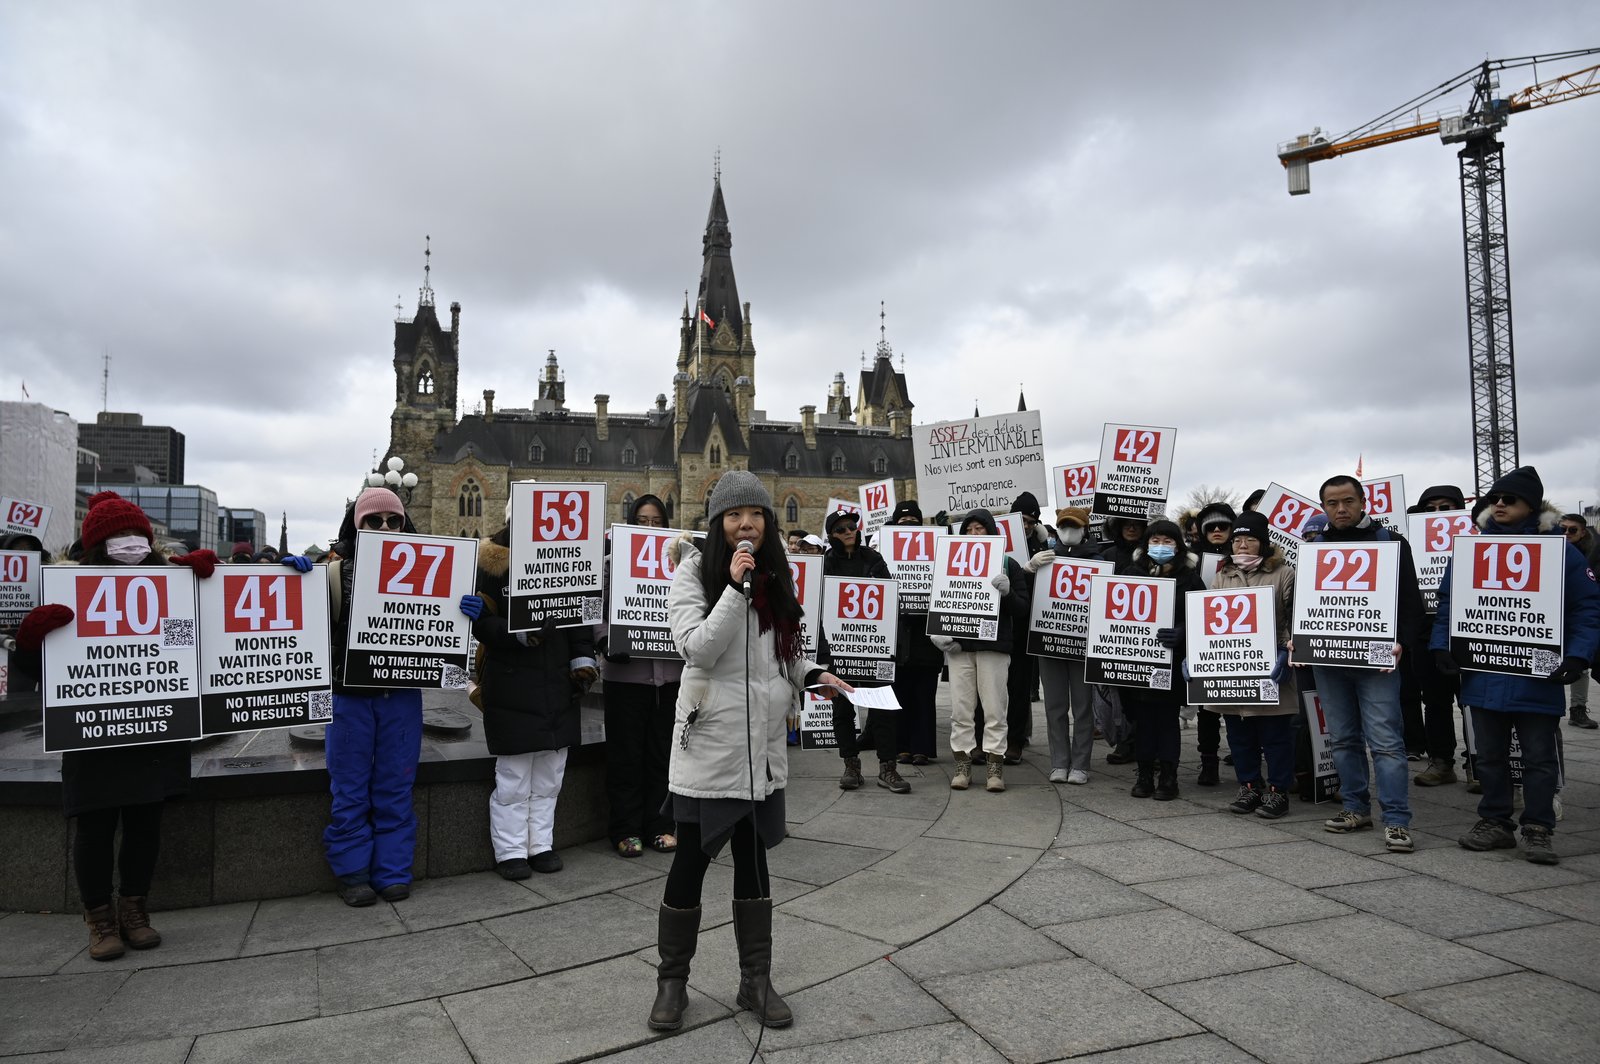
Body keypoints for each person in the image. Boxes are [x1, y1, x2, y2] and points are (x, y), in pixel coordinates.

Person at [648, 471, 850, 1032]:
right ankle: (672, 982)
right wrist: (736, 592)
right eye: (734, 515)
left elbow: (784, 655)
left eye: (755, 515)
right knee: (690, 864)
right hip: (710, 745)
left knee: (753, 863)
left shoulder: (777, 578)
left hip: (761, 748)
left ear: (767, 521)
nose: (746, 525)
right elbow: (698, 649)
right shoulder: (693, 573)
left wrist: (814, 675)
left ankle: (754, 980)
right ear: (718, 523)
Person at [12, 491, 218, 959]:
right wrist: (30, 640)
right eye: (117, 535)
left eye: (135, 534)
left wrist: (205, 588)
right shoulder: (67, 586)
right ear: (96, 545)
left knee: (145, 826)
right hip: (93, 732)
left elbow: (194, 645)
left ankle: (134, 910)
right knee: (95, 828)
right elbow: (40, 671)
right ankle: (99, 919)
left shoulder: (171, 582)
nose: (129, 543)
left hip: (153, 729)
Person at [301, 486, 482, 906]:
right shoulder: (333, 574)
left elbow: (441, 632)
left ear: (404, 524)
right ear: (357, 525)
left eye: (393, 520)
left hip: (400, 695)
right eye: (373, 520)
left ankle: (393, 871)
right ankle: (353, 873)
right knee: (349, 787)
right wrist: (295, 580)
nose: (384, 527)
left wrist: (469, 612)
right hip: (348, 696)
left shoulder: (431, 572)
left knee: (396, 784)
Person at [1435, 468, 1600, 865]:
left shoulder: (1560, 552)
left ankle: (1538, 828)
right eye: (1495, 499)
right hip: (1484, 672)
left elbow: (1588, 608)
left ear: (1531, 505)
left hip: (1538, 675)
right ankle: (1495, 822)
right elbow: (1448, 603)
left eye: (1509, 499)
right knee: (1488, 756)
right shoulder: (1472, 550)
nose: (1499, 504)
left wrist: (1578, 656)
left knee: (1539, 758)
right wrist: (1441, 645)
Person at [1302, 475, 1426, 854]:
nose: (1341, 509)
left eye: (1348, 501)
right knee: (1342, 738)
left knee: (1386, 742)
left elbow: (1411, 600)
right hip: (1328, 659)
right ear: (1323, 507)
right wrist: (1297, 636)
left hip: (1377, 660)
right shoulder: (1314, 548)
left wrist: (1403, 642)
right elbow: (1306, 602)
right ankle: (1355, 808)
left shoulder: (1391, 542)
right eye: (1332, 503)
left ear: (1362, 502)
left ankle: (1396, 819)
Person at [472, 506, 598, 878]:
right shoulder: (492, 563)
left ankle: (540, 844)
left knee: (549, 775)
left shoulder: (571, 559)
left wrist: (583, 663)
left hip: (557, 683)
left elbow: (581, 621)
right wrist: (517, 634)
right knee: (513, 777)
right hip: (512, 683)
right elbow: (482, 624)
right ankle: (510, 850)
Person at [601, 495, 683, 858]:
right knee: (625, 755)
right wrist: (604, 640)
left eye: (657, 521)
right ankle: (626, 828)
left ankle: (661, 825)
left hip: (671, 676)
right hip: (626, 675)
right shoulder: (611, 562)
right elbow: (596, 604)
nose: (650, 527)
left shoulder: (684, 566)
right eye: (642, 520)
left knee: (663, 755)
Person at [930, 508, 1031, 793]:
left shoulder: (1008, 564)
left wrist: (1008, 593)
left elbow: (1022, 609)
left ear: (991, 532)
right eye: (969, 530)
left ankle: (994, 765)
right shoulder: (951, 562)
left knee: (995, 709)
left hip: (994, 647)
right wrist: (939, 630)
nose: (974, 534)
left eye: (980, 528)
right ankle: (962, 764)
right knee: (961, 709)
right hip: (960, 647)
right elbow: (942, 598)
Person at [1212, 511, 1298, 818]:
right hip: (1232, 665)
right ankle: (1249, 785)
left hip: (1271, 665)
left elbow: (1293, 617)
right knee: (1238, 734)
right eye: (1238, 540)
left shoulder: (1284, 573)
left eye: (1250, 539)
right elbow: (1209, 618)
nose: (1243, 545)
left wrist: (1285, 650)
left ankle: (1278, 791)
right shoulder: (1222, 575)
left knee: (1275, 734)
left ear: (1263, 543)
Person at [1116, 519, 1205, 801]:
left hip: (1172, 661)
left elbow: (1203, 615)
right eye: (1155, 541)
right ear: (1146, 544)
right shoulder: (1131, 573)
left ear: (1178, 546)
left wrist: (1183, 631)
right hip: (1139, 661)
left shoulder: (1190, 577)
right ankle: (1144, 773)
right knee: (1142, 719)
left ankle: (1168, 776)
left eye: (1168, 541)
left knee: (1167, 719)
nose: (1161, 546)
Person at [820, 508, 906, 792]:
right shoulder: (825, 563)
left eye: (851, 527)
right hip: (839, 648)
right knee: (842, 710)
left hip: (874, 647)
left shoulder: (874, 558)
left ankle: (888, 767)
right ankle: (851, 765)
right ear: (832, 535)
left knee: (883, 709)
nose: (848, 532)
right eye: (841, 529)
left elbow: (890, 597)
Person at [1027, 507, 1099, 784]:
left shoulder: (1098, 561)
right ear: (1057, 530)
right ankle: (1059, 761)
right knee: (1054, 706)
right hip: (1049, 641)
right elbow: (1026, 596)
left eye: (1075, 527)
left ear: (1085, 530)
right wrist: (1029, 569)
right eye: (1064, 527)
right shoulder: (1046, 559)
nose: (1069, 532)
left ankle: (1080, 763)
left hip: (1082, 645)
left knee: (1083, 707)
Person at [1408, 485, 1469, 784]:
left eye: (1445, 508)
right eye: (1430, 509)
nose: (1437, 514)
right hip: (1427, 634)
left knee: (1472, 703)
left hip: (1470, 630)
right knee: (1434, 702)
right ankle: (1441, 762)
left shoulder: (1479, 540)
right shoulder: (1412, 543)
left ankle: (1479, 764)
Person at [886, 501, 940, 765]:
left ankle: (923, 748)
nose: (908, 526)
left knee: (924, 696)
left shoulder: (937, 550)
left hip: (926, 637)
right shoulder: (885, 551)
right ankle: (902, 747)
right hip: (898, 637)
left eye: (913, 522)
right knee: (900, 694)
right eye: (903, 522)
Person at [1190, 501, 1236, 786]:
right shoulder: (1191, 561)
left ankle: (1242, 754)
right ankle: (1208, 761)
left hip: (1238, 639)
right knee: (1206, 707)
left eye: (1223, 526)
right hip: (1203, 639)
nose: (1217, 530)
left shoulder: (1245, 557)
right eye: (1210, 527)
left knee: (1238, 704)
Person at [1002, 492, 1049, 762]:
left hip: (1023, 626)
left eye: (1032, 521)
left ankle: (1015, 740)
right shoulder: (997, 541)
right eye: (1023, 520)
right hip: (998, 626)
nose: (1027, 526)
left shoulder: (1040, 547)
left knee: (1019, 688)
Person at [1558, 514, 1599, 729]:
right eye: (1562, 528)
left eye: (1572, 530)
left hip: (1578, 620)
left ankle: (1578, 709)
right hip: (1552, 620)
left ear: (1583, 532)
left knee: (1580, 665)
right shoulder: (1550, 549)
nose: (1566, 533)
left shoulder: (1591, 555)